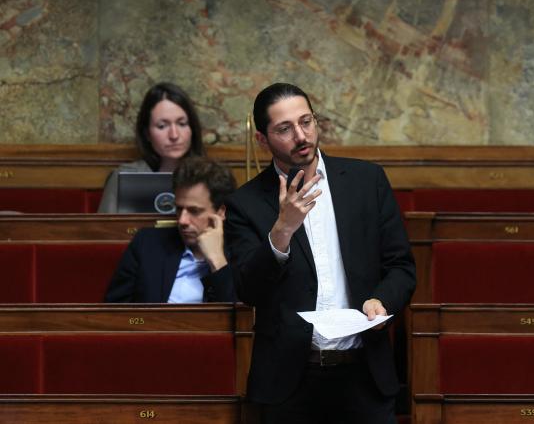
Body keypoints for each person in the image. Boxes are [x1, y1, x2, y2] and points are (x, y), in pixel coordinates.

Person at [224, 83, 416, 423]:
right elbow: (248, 290)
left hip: (364, 377)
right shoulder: (246, 204)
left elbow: (401, 267)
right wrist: (282, 229)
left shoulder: (366, 181)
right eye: (284, 129)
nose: (301, 136)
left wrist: (382, 300)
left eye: (306, 122)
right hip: (290, 385)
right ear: (262, 141)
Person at [105, 156, 236, 303]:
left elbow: (242, 319)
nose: (182, 220)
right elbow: (115, 313)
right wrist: (142, 323)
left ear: (221, 212)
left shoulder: (242, 250)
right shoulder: (146, 244)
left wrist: (217, 261)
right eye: (179, 209)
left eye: (194, 211)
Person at [98, 82, 206, 213]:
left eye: (182, 124)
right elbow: (104, 230)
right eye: (162, 126)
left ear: (192, 128)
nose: (174, 135)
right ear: (147, 133)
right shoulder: (124, 178)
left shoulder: (210, 176)